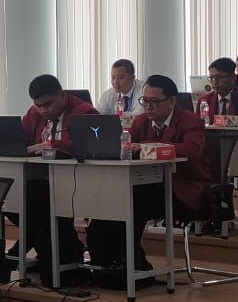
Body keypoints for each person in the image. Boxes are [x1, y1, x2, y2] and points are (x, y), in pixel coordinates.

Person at [88, 75, 212, 271]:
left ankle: (129, 259)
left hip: (183, 187)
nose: (148, 107)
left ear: (171, 101)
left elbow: (192, 150)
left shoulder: (190, 121)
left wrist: (147, 146)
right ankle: (104, 259)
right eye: (144, 101)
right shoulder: (140, 121)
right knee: (111, 198)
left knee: (134, 199)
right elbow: (126, 145)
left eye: (154, 102)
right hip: (148, 185)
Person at [19, 74, 98, 289]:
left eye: (48, 104)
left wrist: (52, 144)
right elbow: (21, 137)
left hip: (78, 181)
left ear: (62, 96)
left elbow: (91, 143)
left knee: (37, 202)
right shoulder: (34, 113)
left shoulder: (84, 112)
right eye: (38, 105)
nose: (43, 110)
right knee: (20, 200)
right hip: (43, 179)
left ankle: (58, 263)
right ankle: (57, 259)